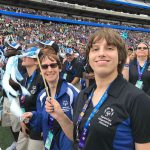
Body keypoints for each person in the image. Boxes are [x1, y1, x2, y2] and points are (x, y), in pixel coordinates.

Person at [43, 28, 150, 150]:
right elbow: (77, 137)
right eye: (95, 49)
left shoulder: (138, 100)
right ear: (89, 57)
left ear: (120, 57)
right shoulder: (83, 95)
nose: (101, 53)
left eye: (109, 48)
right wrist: (60, 116)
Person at [22, 51, 79, 150]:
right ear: (41, 71)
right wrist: (32, 116)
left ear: (60, 68)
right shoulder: (42, 96)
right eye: (44, 67)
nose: (49, 69)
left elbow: (80, 125)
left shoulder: (72, 93)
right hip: (50, 145)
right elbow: (41, 120)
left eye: (53, 65)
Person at [16, 46, 45, 150]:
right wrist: (21, 120)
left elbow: (44, 107)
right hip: (24, 122)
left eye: (27, 56)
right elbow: (21, 101)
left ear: (36, 61)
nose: (23, 58)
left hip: (38, 125)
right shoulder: (23, 78)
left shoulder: (42, 79)